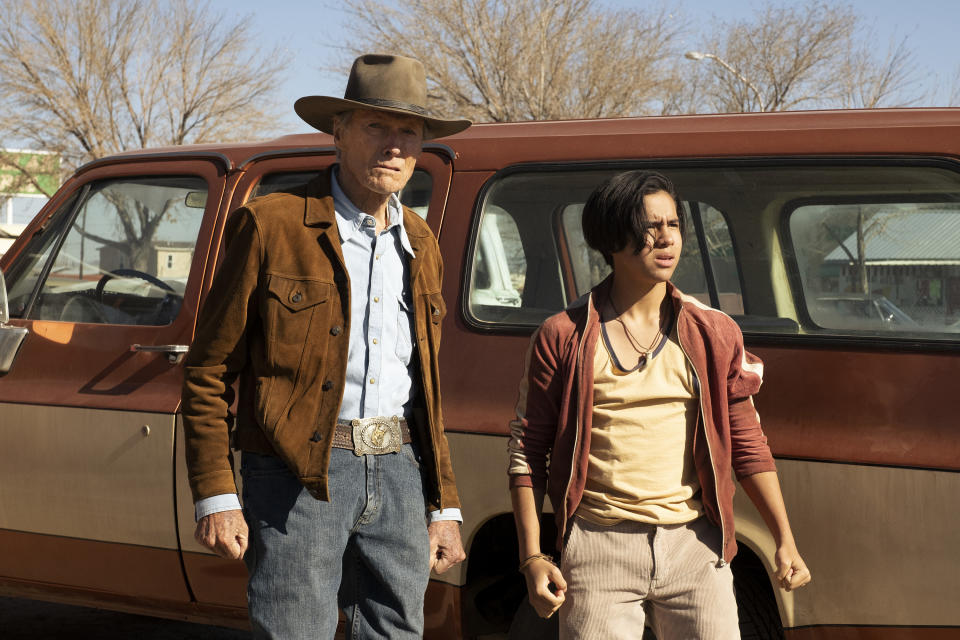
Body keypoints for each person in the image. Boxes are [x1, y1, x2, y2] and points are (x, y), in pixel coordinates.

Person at [181, 53, 471, 639]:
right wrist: (216, 493)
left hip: (399, 469)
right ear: (337, 132)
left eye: (408, 132)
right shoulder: (270, 225)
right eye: (376, 127)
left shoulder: (420, 241)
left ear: (421, 147)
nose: (394, 146)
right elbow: (208, 369)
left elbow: (426, 389)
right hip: (295, 475)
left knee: (397, 633)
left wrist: (444, 506)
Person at [507, 170, 811, 638]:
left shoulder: (714, 333)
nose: (665, 238)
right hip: (598, 544)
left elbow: (749, 444)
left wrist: (784, 539)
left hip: (695, 545)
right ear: (611, 236)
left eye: (673, 224)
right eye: (649, 226)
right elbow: (528, 451)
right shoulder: (562, 336)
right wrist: (533, 556)